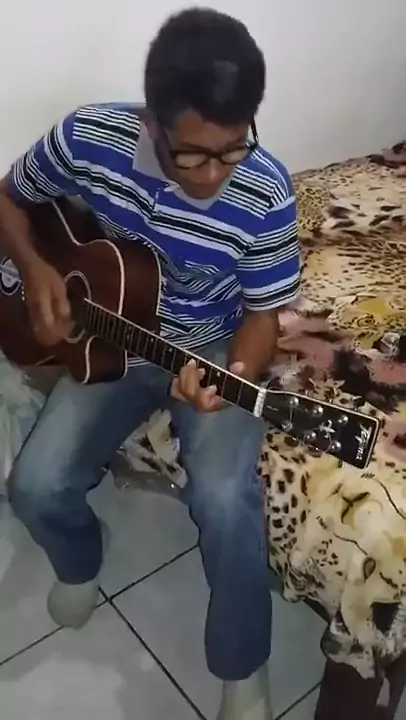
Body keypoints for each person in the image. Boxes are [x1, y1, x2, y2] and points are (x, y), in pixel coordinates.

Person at [0, 8, 299, 720]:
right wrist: (36, 269)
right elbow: (8, 198)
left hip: (213, 345)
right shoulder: (89, 137)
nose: (216, 174)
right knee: (34, 486)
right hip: (114, 339)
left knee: (224, 500)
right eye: (194, 155)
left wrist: (234, 376)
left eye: (234, 148)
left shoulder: (266, 191)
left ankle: (242, 668)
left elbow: (264, 316)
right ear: (153, 121)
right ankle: (82, 557)